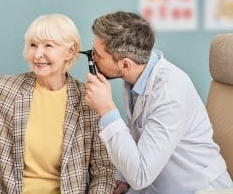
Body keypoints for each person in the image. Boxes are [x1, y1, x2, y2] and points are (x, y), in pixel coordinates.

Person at [85, 11, 233, 194]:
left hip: (198, 188)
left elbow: (140, 175)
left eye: (97, 54)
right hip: (157, 183)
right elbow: (141, 138)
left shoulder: (170, 93)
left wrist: (107, 110)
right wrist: (123, 179)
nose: (92, 58)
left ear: (125, 64)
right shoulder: (137, 75)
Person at [0, 14, 115, 194]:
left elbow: (104, 171)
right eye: (33, 45)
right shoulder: (4, 88)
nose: (37, 54)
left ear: (70, 51)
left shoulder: (89, 101)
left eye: (48, 45)